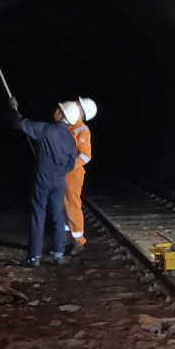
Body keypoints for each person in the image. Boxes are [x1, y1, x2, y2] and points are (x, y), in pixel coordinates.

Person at [7, 97, 78, 267]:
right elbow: (71, 164)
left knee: (38, 214)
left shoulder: (45, 129)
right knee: (58, 216)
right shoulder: (70, 139)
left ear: (61, 114)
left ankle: (34, 257)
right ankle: (58, 255)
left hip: (42, 179)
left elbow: (20, 123)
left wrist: (14, 108)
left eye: (57, 109)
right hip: (59, 181)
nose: (55, 111)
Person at [60, 97, 98, 256]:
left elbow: (86, 156)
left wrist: (69, 167)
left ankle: (78, 240)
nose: (74, 105)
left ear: (82, 112)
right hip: (61, 173)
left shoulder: (81, 129)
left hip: (72, 175)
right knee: (61, 206)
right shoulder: (67, 125)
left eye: (78, 105)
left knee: (72, 205)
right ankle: (67, 239)